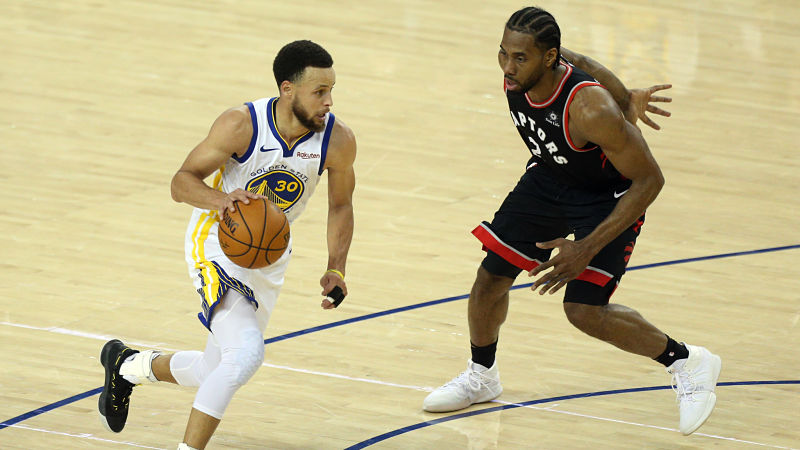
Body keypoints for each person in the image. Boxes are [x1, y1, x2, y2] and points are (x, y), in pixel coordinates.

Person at [423, 7, 721, 436]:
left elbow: (650, 180)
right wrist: (626, 93)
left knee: (583, 310)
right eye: (503, 54)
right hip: (551, 176)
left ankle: (687, 362)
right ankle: (482, 376)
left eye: (519, 58)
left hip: (609, 196)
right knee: (489, 279)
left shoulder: (590, 109)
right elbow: (585, 60)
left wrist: (586, 247)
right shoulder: (529, 67)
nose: (508, 67)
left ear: (548, 58)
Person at [97, 40, 356, 449]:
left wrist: (336, 267)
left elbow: (340, 206)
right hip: (217, 242)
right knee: (245, 355)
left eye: (331, 90)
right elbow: (181, 182)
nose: (328, 101)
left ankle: (129, 365)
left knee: (213, 369)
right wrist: (221, 201)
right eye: (319, 92)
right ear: (287, 89)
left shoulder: (337, 140)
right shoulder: (241, 124)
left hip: (268, 256)